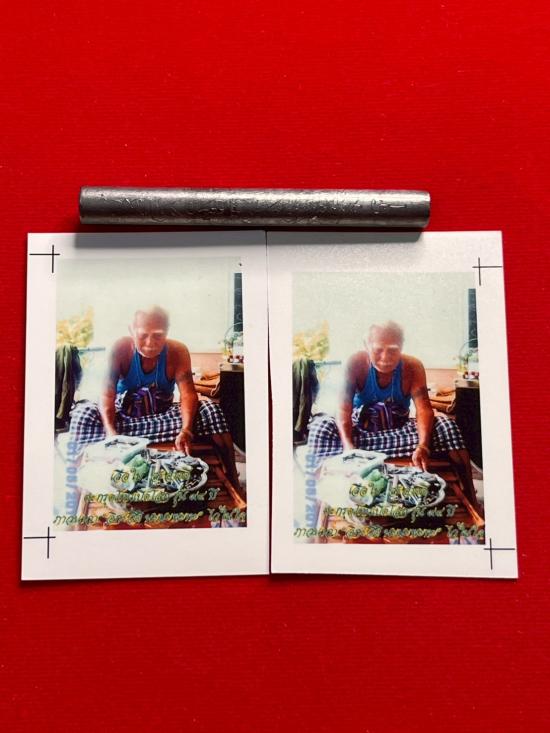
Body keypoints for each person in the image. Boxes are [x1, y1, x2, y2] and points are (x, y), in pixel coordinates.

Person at [69, 306, 242, 492]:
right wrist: (112, 435)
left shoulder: (178, 351)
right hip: (125, 419)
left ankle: (233, 478)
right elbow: (106, 394)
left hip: (162, 417)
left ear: (167, 331)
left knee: (211, 410)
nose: (150, 343)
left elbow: (188, 394)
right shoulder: (119, 349)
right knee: (82, 414)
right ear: (131, 331)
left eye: (158, 335)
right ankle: (75, 488)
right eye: (143, 335)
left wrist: (186, 430)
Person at [306, 321, 478, 504]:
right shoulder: (354, 363)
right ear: (366, 346)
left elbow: (424, 409)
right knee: (320, 427)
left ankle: (470, 497)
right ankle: (314, 503)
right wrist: (349, 449)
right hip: (362, 433)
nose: (385, 357)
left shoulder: (413, 366)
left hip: (398, 431)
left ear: (402, 347)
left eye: (393, 350)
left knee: (446, 425)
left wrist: (423, 446)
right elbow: (343, 409)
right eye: (378, 350)